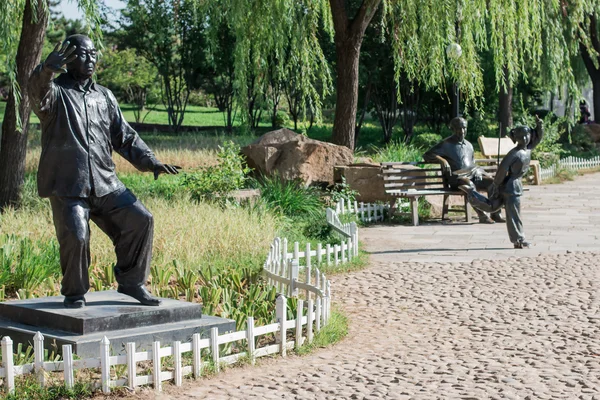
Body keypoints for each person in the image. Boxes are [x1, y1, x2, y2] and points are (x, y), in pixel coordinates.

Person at [28, 35, 181, 308]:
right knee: (76, 235)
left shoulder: (104, 96)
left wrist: (150, 161)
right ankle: (75, 293)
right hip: (69, 186)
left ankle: (132, 282)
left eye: (94, 54)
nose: (91, 59)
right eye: (84, 54)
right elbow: (37, 94)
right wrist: (46, 70)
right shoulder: (56, 93)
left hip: (104, 181)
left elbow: (124, 136)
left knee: (141, 219)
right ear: (70, 58)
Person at [459, 116, 544, 248]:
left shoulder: (527, 149)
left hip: (511, 186)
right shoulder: (514, 154)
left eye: (527, 135)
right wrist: (495, 185)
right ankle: (519, 239)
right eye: (522, 137)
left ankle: (472, 194)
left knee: (492, 206)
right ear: (516, 139)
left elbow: (538, 138)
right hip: (511, 187)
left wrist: (539, 126)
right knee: (513, 214)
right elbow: (501, 171)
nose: (525, 139)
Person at [422, 117, 505, 224]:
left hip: (472, 174)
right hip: (457, 179)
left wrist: (478, 172)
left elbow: (472, 163)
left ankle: (496, 213)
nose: (461, 131)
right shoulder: (446, 144)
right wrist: (442, 160)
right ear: (453, 129)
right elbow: (427, 155)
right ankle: (482, 215)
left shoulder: (469, 145)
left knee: (492, 183)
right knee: (468, 184)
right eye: (458, 128)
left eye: (464, 128)